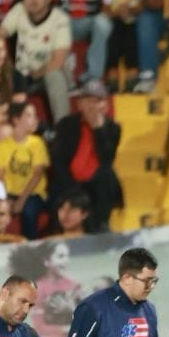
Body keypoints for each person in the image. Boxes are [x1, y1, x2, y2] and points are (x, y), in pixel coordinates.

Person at [51, 79, 122, 232]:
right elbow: (58, 160)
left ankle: (102, 225)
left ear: (105, 106)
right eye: (88, 101)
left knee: (107, 175)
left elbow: (107, 159)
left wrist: (98, 129)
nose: (92, 106)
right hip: (69, 181)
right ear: (79, 104)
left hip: (97, 183)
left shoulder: (113, 129)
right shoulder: (66, 124)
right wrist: (72, 185)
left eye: (97, 101)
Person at [0, 0, 72, 124]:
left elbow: (58, 61)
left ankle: (63, 130)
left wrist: (33, 75)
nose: (32, 0)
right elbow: (0, 34)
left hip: (47, 74)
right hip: (23, 75)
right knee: (2, 76)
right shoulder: (19, 10)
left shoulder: (60, 19)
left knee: (55, 76)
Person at [0, 100, 49, 239]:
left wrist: (20, 202)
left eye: (35, 115)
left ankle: (30, 250)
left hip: (33, 193)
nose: (35, 119)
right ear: (16, 120)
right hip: (10, 193)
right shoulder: (3, 145)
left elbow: (37, 174)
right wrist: (4, 199)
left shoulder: (37, 143)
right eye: (29, 115)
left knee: (28, 212)